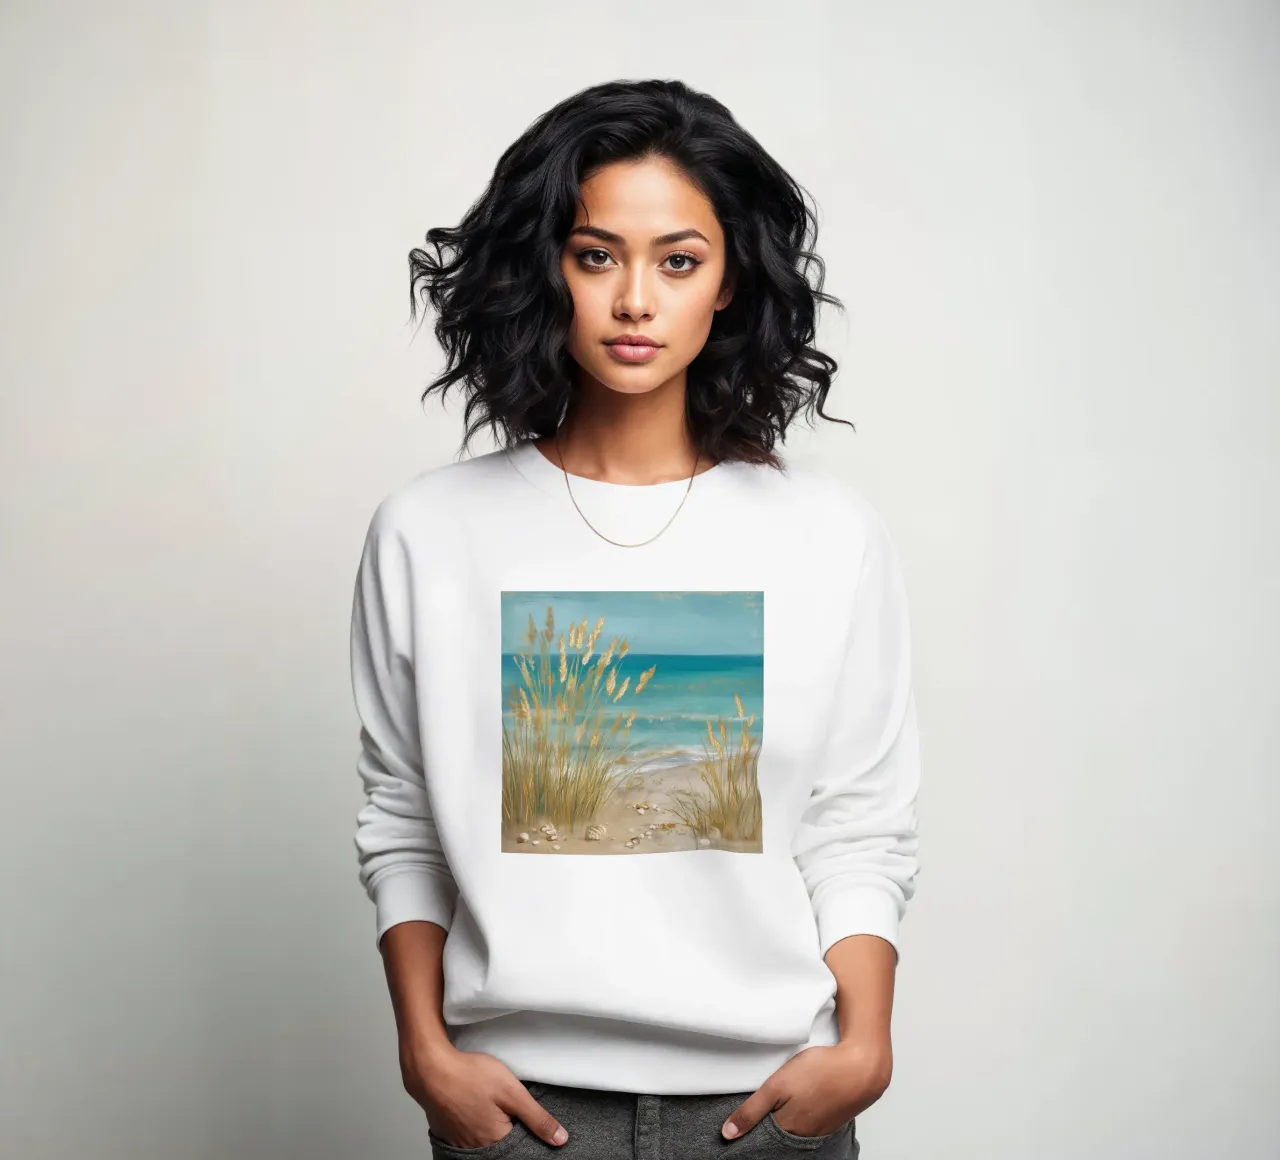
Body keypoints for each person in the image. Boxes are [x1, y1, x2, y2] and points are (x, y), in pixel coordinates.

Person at [348, 78, 922, 1160]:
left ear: (728, 282)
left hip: (765, 1117)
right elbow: (402, 816)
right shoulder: (429, 531)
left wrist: (865, 1047)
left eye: (677, 259)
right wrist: (425, 1052)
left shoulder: (824, 533)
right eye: (596, 254)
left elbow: (857, 820)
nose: (634, 301)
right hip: (521, 1118)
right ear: (543, 269)